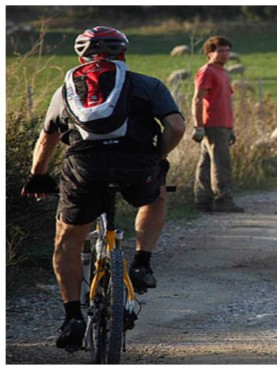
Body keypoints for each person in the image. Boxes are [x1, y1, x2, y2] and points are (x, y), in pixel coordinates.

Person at [21, 26, 185, 349]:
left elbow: (46, 140)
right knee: (156, 196)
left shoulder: (65, 90)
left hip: (84, 168)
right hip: (136, 164)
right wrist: (157, 157)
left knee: (67, 241)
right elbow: (177, 125)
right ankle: (141, 262)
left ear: (80, 56)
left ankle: (72, 317)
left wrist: (38, 176)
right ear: (122, 54)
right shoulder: (147, 85)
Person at [192, 35, 243, 213]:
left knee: (206, 163)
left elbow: (225, 101)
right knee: (222, 164)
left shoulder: (222, 72)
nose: (225, 54)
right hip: (213, 124)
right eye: (220, 51)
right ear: (209, 53)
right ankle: (223, 200)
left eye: (227, 50)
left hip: (223, 125)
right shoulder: (207, 71)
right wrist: (198, 125)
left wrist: (231, 128)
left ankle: (203, 201)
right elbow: (198, 99)